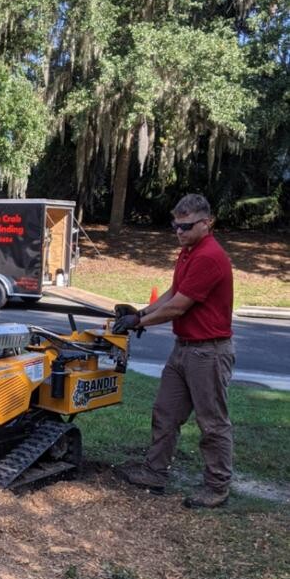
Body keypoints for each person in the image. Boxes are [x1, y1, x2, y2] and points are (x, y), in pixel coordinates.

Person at [112, 194, 235, 509]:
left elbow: (179, 307)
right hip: (184, 349)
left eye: (186, 226)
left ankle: (217, 487)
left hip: (208, 353)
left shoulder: (209, 256)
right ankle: (154, 472)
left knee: (212, 422)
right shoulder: (188, 252)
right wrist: (140, 314)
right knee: (165, 412)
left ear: (207, 223)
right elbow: (171, 294)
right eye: (175, 226)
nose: (179, 232)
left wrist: (141, 323)